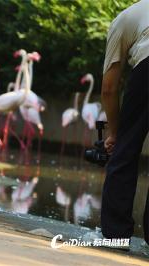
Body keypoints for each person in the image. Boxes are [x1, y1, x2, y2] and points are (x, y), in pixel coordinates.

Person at [101, 0, 149, 245]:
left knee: (126, 151)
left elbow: (109, 88)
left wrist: (117, 134)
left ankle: (116, 235)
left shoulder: (126, 17)